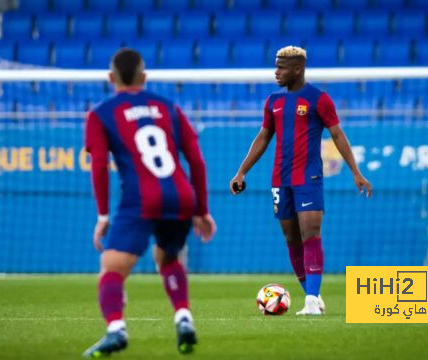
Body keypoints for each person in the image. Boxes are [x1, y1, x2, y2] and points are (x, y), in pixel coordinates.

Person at [83, 48, 216, 357]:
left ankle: (115, 329)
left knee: (112, 268)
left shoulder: (101, 114)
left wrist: (103, 215)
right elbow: (196, 160)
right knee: (168, 258)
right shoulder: (169, 107)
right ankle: (184, 318)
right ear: (144, 77)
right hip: (181, 195)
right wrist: (202, 209)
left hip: (141, 198)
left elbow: (99, 165)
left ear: (110, 78)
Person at [229, 46, 372, 316]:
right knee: (291, 237)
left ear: (297, 69)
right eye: (276, 66)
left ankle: (311, 300)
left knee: (311, 233)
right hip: (280, 179)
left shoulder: (319, 99)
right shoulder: (273, 101)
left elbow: (338, 136)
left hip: (309, 177)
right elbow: (262, 138)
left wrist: (355, 171)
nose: (276, 72)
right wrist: (241, 171)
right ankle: (312, 297)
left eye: (281, 67)